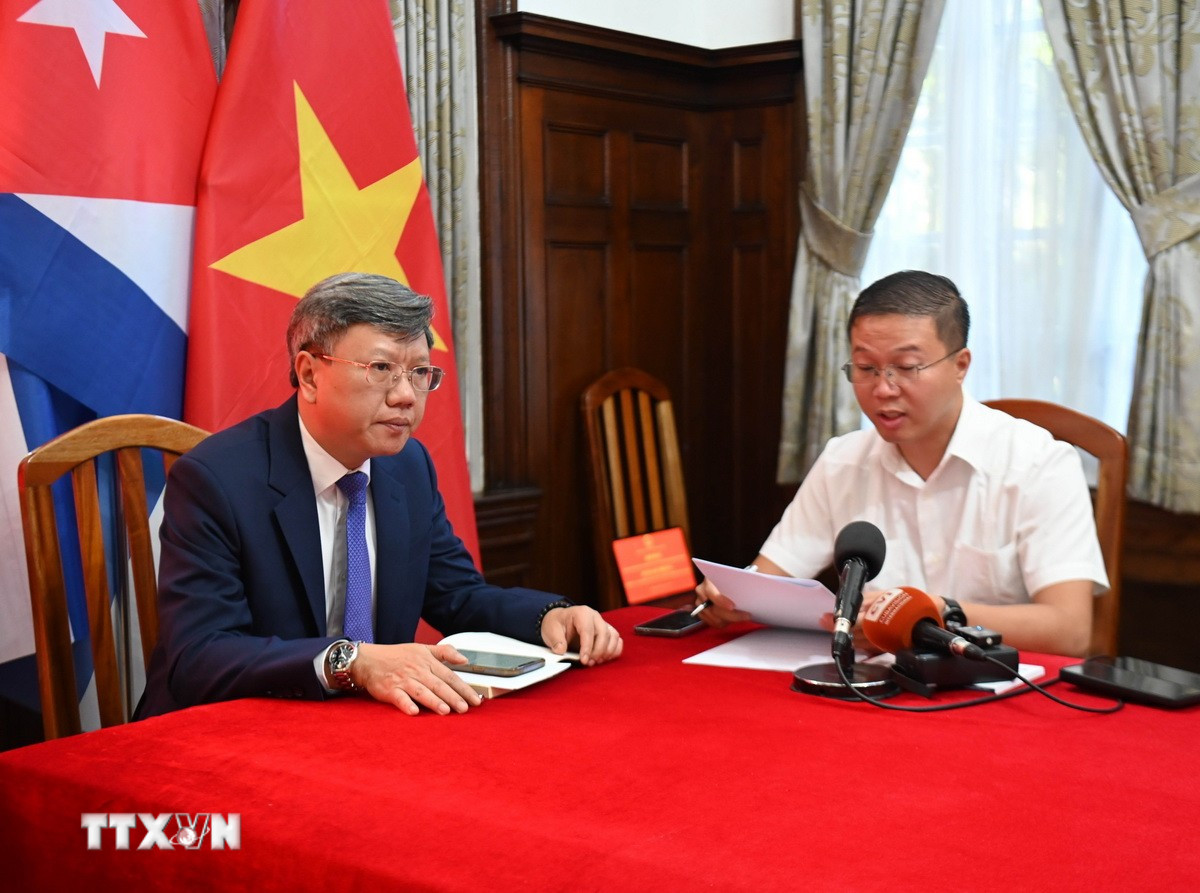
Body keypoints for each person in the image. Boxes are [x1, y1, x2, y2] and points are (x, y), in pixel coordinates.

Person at [138, 272, 621, 719]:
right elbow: (199, 655)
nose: (405, 395)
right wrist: (351, 662)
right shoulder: (217, 479)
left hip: (366, 729)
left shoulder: (407, 467)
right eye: (382, 368)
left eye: (419, 372)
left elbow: (456, 594)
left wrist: (549, 616)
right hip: (233, 729)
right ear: (309, 375)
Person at [695, 270, 1107, 657]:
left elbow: (1070, 631)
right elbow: (769, 577)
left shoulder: (1039, 463)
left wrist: (933, 613)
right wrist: (732, 596)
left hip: (993, 683)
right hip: (871, 681)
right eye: (866, 368)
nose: (883, 389)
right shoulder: (843, 460)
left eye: (907, 368)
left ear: (960, 365)